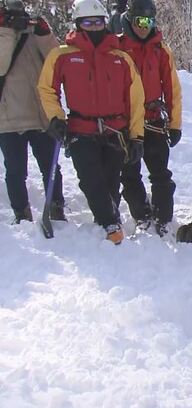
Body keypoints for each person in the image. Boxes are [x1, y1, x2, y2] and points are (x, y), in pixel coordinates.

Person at [38, 0, 145, 244]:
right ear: (78, 24)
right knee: (90, 179)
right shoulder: (62, 55)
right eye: (88, 22)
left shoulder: (120, 58)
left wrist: (136, 135)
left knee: (111, 180)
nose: (94, 27)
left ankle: (106, 220)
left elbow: (135, 99)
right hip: (80, 130)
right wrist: (56, 116)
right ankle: (110, 224)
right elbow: (46, 89)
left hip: (114, 130)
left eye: (98, 22)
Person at [118, 0, 182, 237]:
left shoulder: (161, 50)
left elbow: (173, 89)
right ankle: (142, 215)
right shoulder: (117, 46)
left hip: (154, 121)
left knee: (160, 173)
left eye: (149, 21)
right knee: (129, 174)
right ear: (130, 19)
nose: (144, 27)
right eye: (140, 21)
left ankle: (164, 218)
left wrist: (174, 125)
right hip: (124, 124)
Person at [0, 0, 64, 224]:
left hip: (41, 115)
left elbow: (57, 61)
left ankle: (56, 206)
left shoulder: (32, 30)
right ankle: (21, 213)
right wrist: (6, 31)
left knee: (50, 166)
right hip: (9, 118)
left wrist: (44, 33)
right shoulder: (3, 33)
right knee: (16, 171)